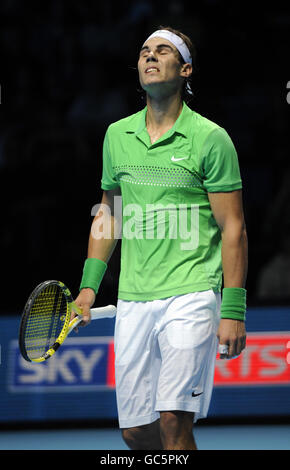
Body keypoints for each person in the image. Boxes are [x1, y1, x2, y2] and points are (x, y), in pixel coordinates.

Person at [72, 26, 248, 450]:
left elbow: (234, 227)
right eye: (144, 51)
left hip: (192, 293)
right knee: (136, 432)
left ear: (185, 69)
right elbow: (108, 214)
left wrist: (234, 309)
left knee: (173, 420)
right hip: (133, 298)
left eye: (163, 51)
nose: (150, 57)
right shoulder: (117, 135)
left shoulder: (211, 138)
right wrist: (87, 287)